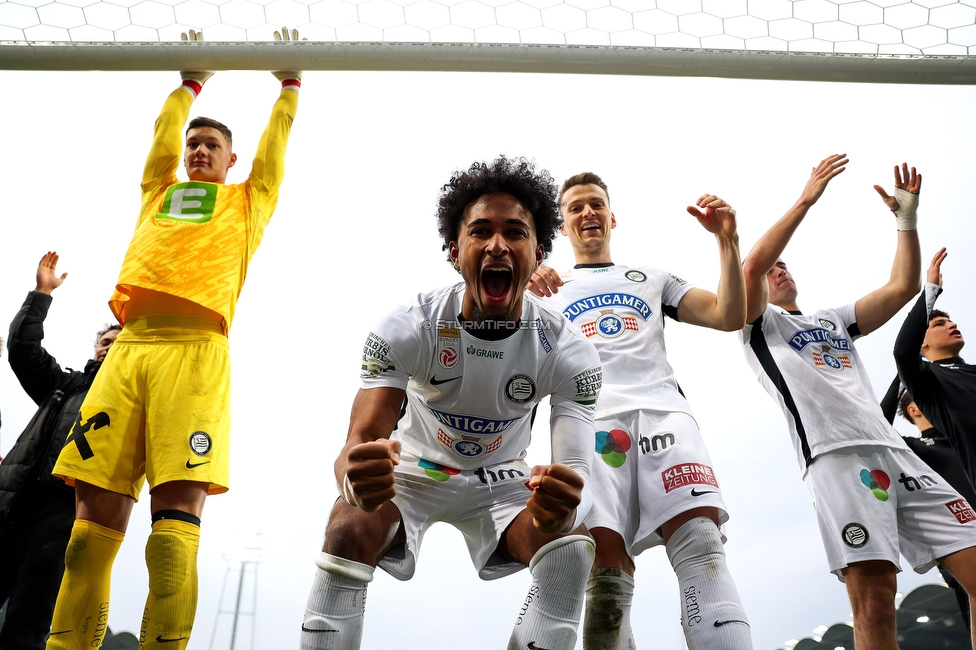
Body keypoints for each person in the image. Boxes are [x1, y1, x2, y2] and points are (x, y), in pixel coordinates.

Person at [46, 32, 302, 650]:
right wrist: (190, 85)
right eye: (194, 143)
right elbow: (162, 138)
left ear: (231, 160)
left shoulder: (246, 202)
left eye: (213, 145)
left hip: (194, 355)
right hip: (130, 351)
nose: (199, 151)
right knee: (84, 541)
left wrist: (289, 87)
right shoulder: (157, 194)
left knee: (169, 543)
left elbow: (274, 153)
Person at [300, 156, 603, 650]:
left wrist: (564, 511)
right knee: (348, 524)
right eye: (480, 231)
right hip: (417, 469)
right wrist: (352, 480)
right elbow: (357, 444)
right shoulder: (405, 326)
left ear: (539, 250)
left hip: (503, 477)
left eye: (516, 233)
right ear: (454, 250)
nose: (498, 245)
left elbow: (575, 472)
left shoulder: (570, 351)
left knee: (571, 549)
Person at [740, 154, 976, 649]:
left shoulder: (832, 320)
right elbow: (756, 262)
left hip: (895, 451)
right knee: (874, 598)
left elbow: (902, 287)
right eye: (770, 266)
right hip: (836, 458)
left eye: (784, 263)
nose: (777, 268)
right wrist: (806, 199)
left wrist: (905, 221)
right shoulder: (756, 324)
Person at [527, 174, 752, 649]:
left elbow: (728, 315)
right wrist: (524, 275)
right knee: (605, 572)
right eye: (575, 208)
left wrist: (727, 242)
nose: (587, 213)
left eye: (596, 205)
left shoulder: (651, 277)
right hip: (589, 427)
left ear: (612, 217)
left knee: (701, 543)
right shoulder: (542, 288)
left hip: (663, 415)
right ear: (562, 226)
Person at [0, 252, 118, 650]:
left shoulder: (134, 404)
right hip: (11, 501)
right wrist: (41, 293)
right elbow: (22, 348)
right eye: (105, 340)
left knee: (27, 620)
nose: (110, 346)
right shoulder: (62, 385)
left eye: (121, 343)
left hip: (65, 512)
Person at [880, 381, 975, 627]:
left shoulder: (967, 441)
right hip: (964, 554)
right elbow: (877, 424)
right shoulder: (912, 451)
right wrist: (902, 374)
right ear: (914, 410)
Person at [894, 248, 976, 487]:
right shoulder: (929, 381)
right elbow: (903, 352)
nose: (952, 325)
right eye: (940, 323)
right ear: (923, 342)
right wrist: (931, 291)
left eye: (951, 321)